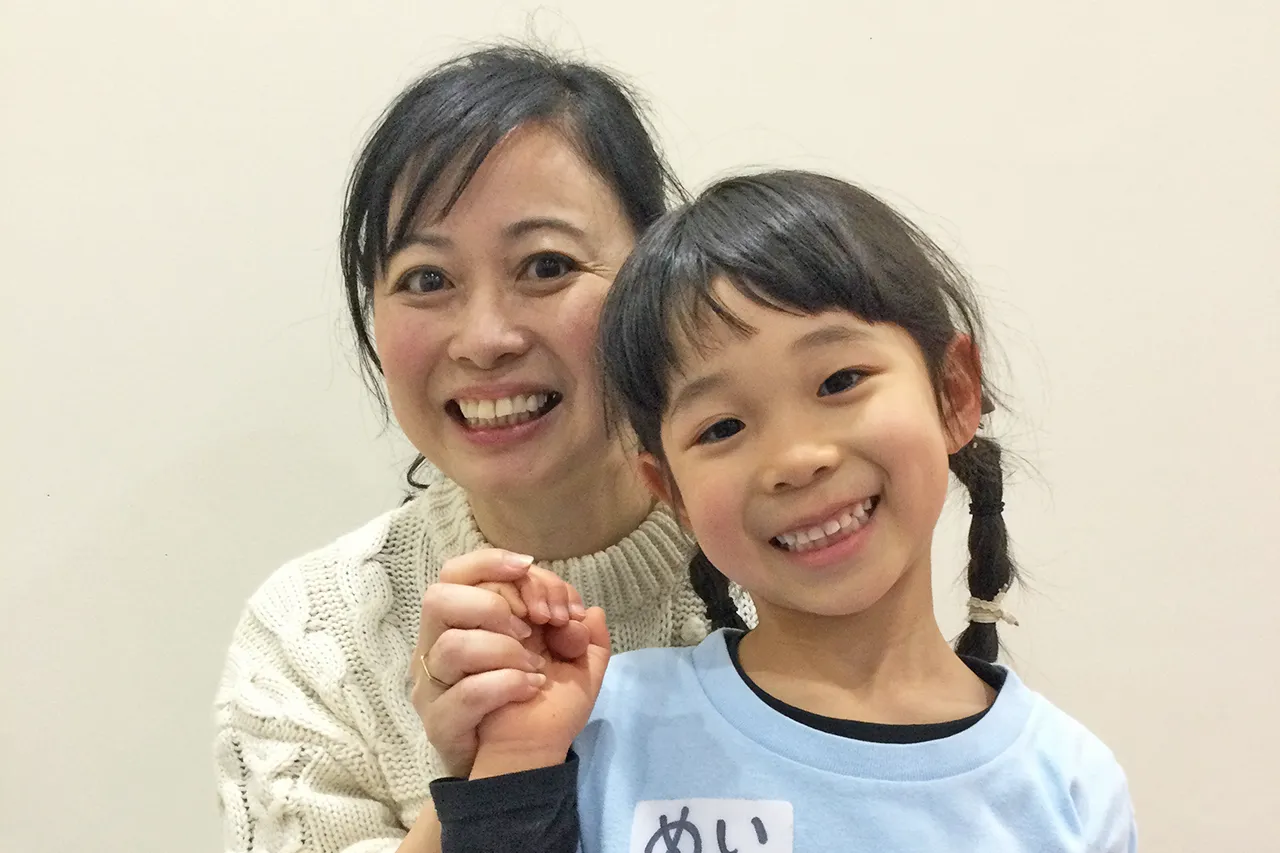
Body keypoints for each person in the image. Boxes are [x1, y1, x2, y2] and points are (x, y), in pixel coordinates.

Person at [428, 171, 1139, 851]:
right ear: (671, 492)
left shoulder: (1068, 785)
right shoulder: (598, 724)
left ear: (953, 393)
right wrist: (514, 763)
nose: (796, 459)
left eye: (840, 380)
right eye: (722, 428)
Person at [213, 46, 753, 853]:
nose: (485, 338)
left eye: (546, 266)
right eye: (427, 279)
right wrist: (483, 778)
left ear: (652, 276)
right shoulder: (312, 635)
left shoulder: (784, 561)